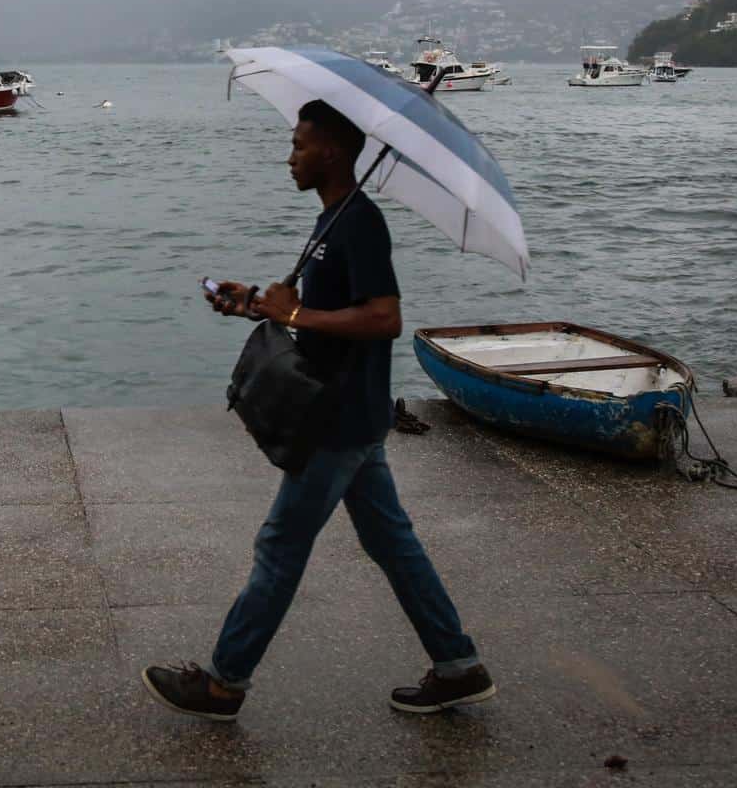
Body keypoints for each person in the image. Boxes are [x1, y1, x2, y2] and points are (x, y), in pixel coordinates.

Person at [141, 99, 492, 721]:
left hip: (336, 418)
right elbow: (318, 318)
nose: (290, 156)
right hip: (352, 415)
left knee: (280, 546)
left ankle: (224, 684)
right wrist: (253, 301)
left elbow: (385, 318)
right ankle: (458, 666)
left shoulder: (360, 223)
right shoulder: (332, 222)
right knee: (393, 543)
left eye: (300, 145)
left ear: (330, 151)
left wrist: (294, 314)